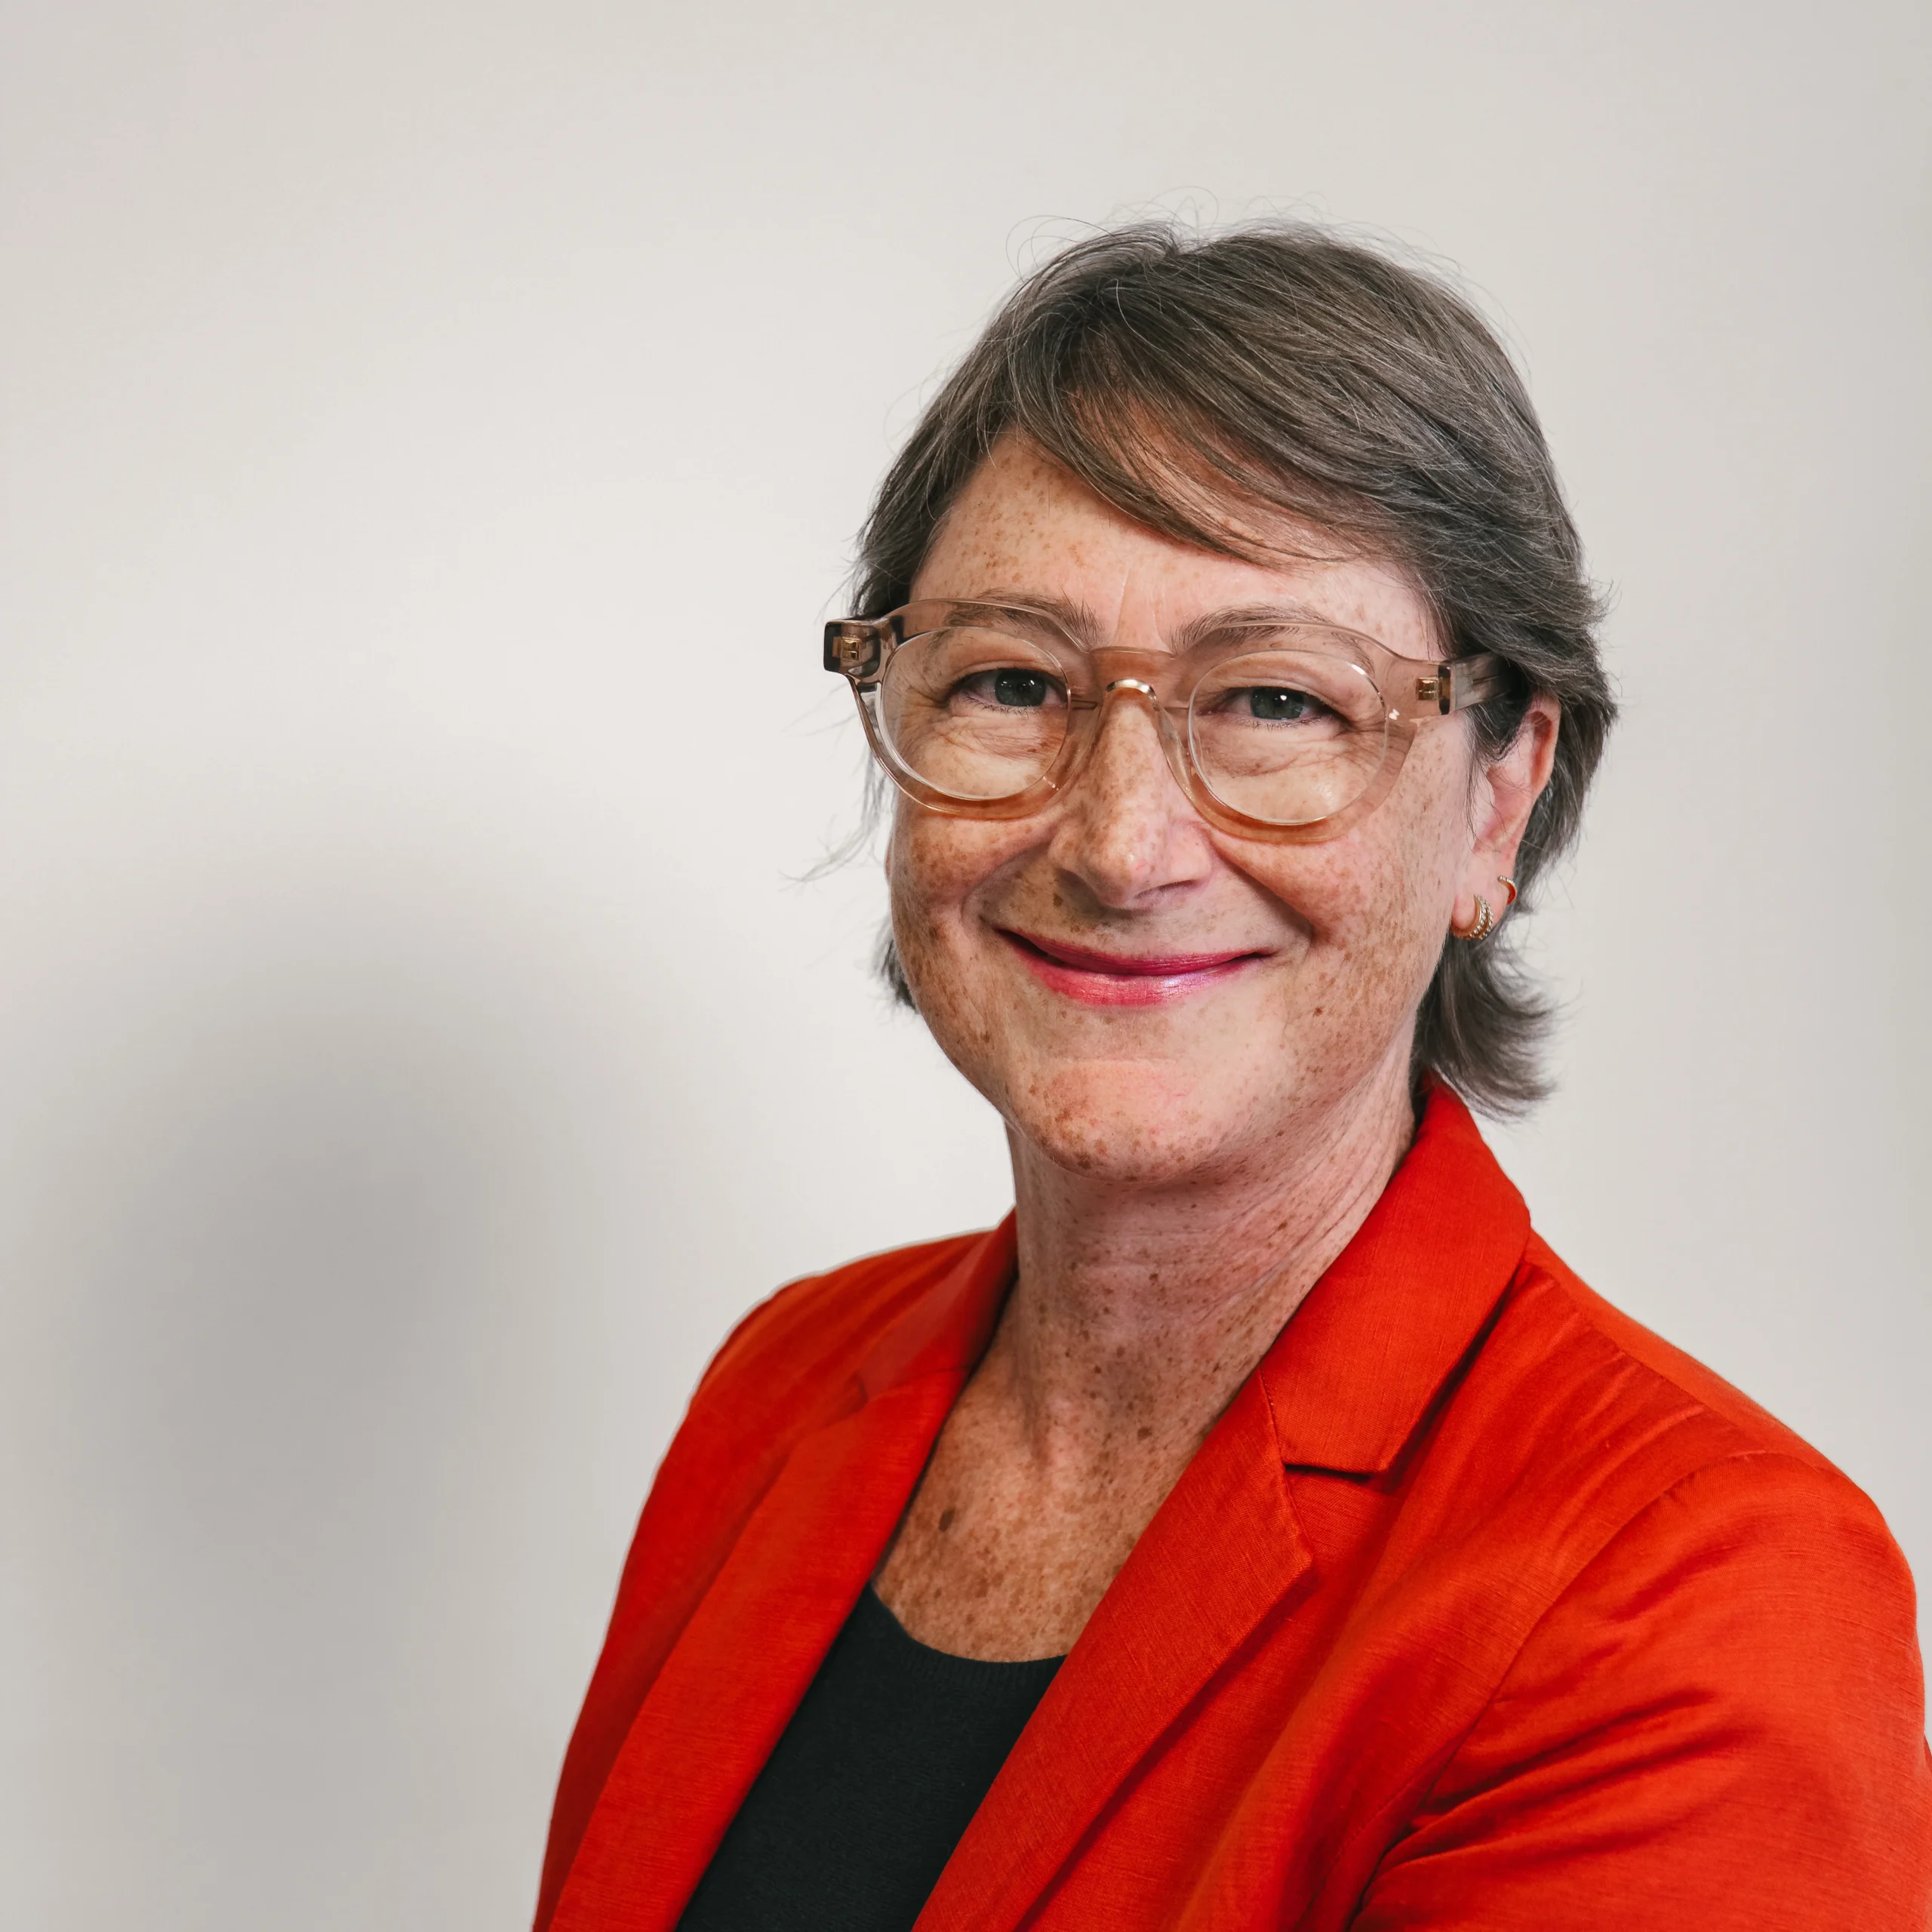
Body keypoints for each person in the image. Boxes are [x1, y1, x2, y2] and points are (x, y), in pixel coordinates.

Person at [533, 223, 1932, 1932]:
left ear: (1495, 794)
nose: (1120, 844)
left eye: (1273, 699)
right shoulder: (780, 1385)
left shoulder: (1685, 1594)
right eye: (1012, 683)